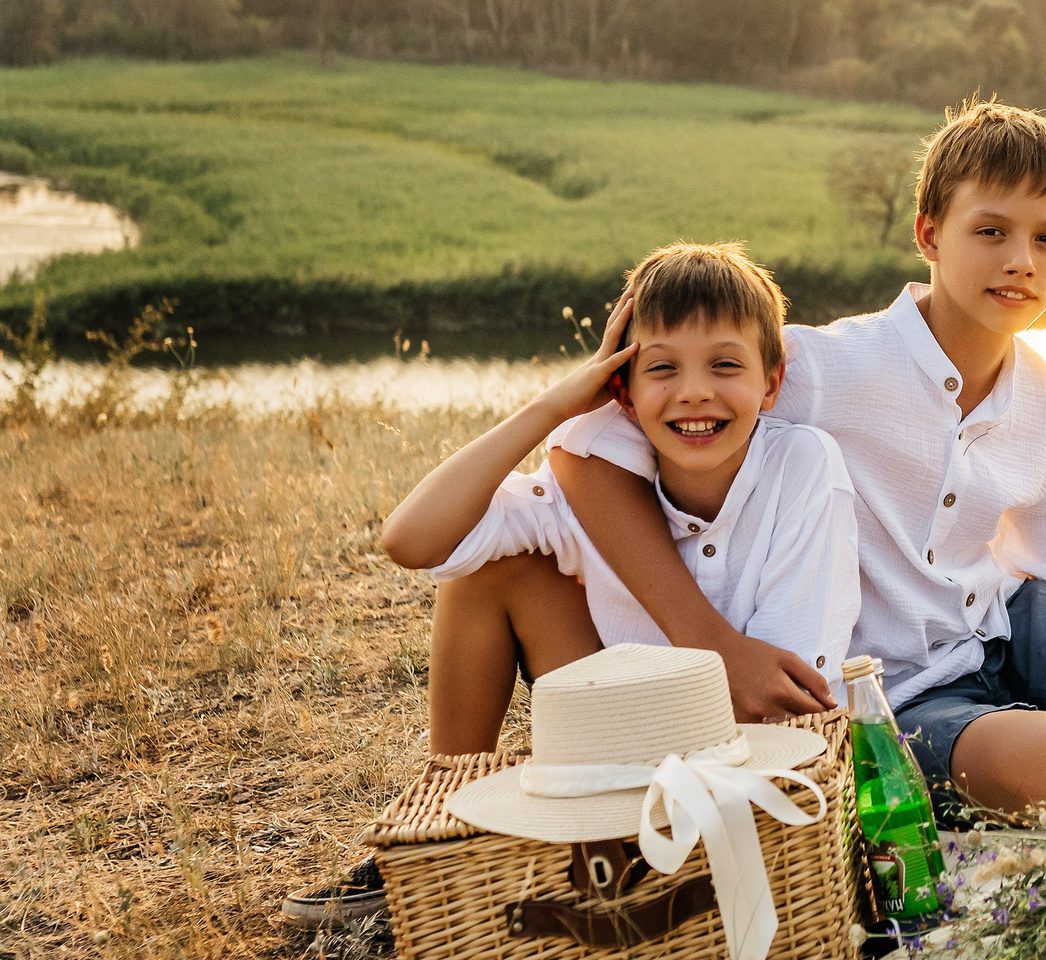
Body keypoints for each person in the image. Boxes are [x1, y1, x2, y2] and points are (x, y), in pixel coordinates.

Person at [553, 101, 1046, 824]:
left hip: (1013, 629)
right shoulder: (819, 368)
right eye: (991, 231)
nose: (1022, 261)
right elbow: (584, 453)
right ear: (928, 233)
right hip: (893, 688)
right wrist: (718, 647)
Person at [284, 239, 862, 922]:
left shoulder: (803, 466)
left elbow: (782, 708)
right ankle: (442, 831)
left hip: (745, 766)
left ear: (771, 381)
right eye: (662, 368)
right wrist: (553, 406)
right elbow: (410, 538)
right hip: (611, 751)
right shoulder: (590, 484)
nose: (695, 391)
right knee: (484, 571)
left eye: (725, 365)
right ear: (622, 390)